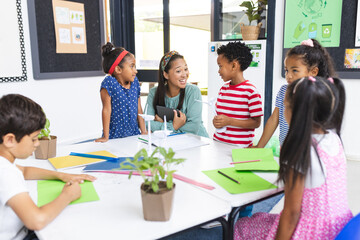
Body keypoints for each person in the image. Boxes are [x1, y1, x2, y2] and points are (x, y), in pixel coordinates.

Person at [234, 76, 352, 239]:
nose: (283, 110)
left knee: (242, 227)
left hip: (312, 232)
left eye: (285, 106)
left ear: (296, 112)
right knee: (259, 220)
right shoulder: (334, 138)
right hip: (340, 227)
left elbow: (291, 214)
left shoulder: (300, 151)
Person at [0, 94, 96, 240]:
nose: (37, 143)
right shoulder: (5, 173)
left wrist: (62, 175)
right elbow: (36, 220)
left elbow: (25, 171)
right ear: (9, 140)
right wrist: (68, 195)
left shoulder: (5, 163)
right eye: (34, 138)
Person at [255, 38, 337, 148]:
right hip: (285, 148)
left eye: (294, 70)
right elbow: (274, 119)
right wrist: (259, 147)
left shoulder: (315, 94)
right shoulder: (284, 91)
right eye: (286, 70)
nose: (288, 75)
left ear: (313, 72)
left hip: (305, 152)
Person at [145, 51, 208, 137]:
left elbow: (193, 128)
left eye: (186, 69)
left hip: (196, 142)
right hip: (170, 143)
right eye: (178, 71)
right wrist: (174, 126)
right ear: (166, 74)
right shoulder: (154, 93)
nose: (184, 75)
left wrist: (165, 125)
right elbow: (147, 123)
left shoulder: (193, 91)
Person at [213, 41, 262, 147]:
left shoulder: (251, 92)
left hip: (240, 149)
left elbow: (256, 123)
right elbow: (221, 116)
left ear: (234, 66)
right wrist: (217, 121)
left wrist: (229, 121)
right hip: (218, 144)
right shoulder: (223, 89)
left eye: (220, 66)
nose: (219, 71)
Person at [96, 42, 146, 142]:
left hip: (133, 135)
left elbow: (139, 108)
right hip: (114, 137)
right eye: (131, 66)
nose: (135, 71)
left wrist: (144, 131)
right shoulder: (109, 83)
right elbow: (106, 110)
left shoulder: (135, 81)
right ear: (118, 69)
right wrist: (106, 137)